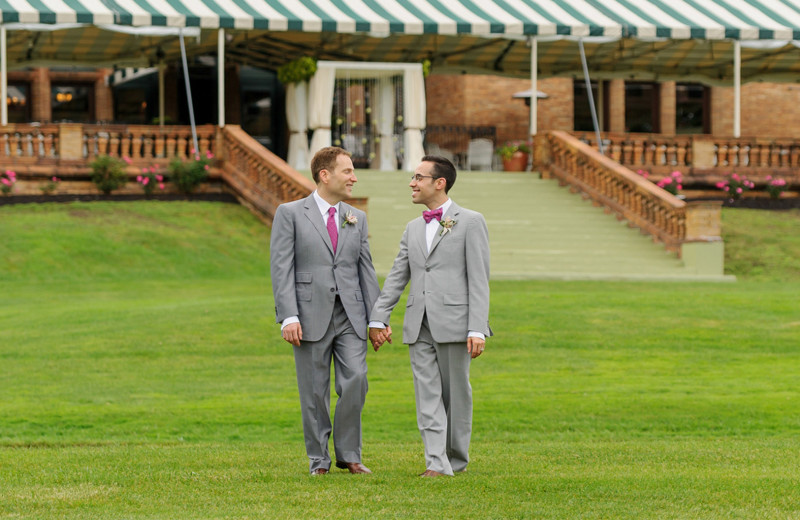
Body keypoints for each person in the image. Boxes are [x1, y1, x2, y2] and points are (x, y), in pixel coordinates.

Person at [369, 155, 491, 477]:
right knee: (427, 396)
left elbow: (479, 279)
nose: (412, 182)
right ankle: (436, 463)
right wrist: (379, 317)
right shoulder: (412, 228)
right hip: (417, 324)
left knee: (456, 396)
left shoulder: (471, 221)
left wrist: (477, 328)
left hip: (455, 324)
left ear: (440, 183)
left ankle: (456, 459)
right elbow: (398, 275)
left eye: (418, 177)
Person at [270, 146, 380, 476]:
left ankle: (349, 454)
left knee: (356, 381)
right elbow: (281, 268)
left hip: (351, 314)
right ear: (325, 175)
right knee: (314, 391)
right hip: (307, 315)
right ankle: (319, 459)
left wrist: (376, 318)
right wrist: (288, 315)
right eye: (348, 171)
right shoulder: (289, 213)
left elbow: (366, 270)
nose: (354, 178)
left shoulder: (356, 217)